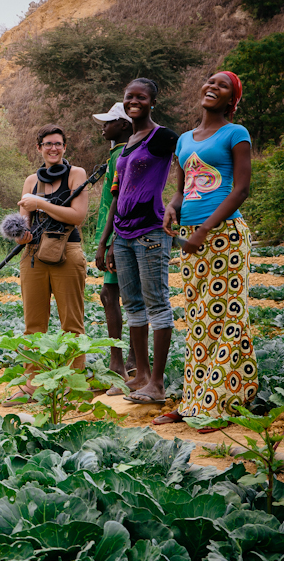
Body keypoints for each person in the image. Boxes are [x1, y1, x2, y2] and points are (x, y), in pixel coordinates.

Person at [155, 71, 256, 429]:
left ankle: (218, 404)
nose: (212, 87)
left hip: (224, 234)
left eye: (222, 85)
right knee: (198, 319)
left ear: (232, 99)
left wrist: (205, 229)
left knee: (226, 316)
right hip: (190, 235)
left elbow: (240, 190)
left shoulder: (235, 133)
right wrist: (172, 206)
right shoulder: (184, 139)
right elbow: (184, 189)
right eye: (210, 82)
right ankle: (193, 401)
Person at [102, 79, 180, 404]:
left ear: (152, 102)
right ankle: (142, 376)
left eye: (141, 97)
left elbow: (187, 159)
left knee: (157, 304)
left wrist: (176, 200)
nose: (134, 101)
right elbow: (117, 193)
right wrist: (106, 241)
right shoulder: (129, 141)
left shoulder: (161, 137)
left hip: (150, 231)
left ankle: (158, 384)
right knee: (132, 305)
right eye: (129, 97)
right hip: (122, 235)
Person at [4, 124, 89, 406]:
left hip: (68, 251)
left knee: (72, 325)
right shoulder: (31, 181)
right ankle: (32, 386)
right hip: (33, 255)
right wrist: (21, 234)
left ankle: (73, 386)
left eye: (58, 144)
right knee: (33, 325)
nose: (53, 148)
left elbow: (77, 216)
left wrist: (39, 204)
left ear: (65, 147)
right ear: (39, 148)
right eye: (48, 144)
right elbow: (23, 223)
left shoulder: (77, 175)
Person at [92, 102, 135, 388]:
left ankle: (119, 363)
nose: (104, 126)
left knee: (112, 295)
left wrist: (107, 243)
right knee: (124, 296)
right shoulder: (118, 153)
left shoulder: (121, 154)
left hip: (117, 237)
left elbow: (117, 202)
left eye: (109, 122)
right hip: (117, 236)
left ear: (123, 125)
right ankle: (129, 361)